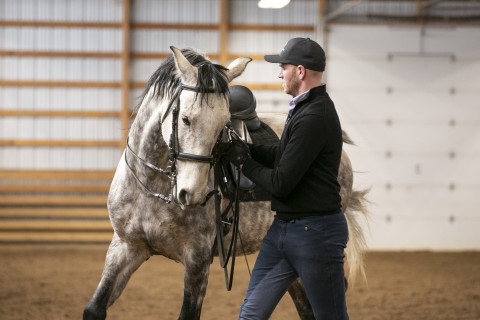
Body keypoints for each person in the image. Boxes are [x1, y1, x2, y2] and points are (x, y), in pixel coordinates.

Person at [225, 37, 349, 320]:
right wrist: (248, 149)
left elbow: (281, 182)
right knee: (250, 316)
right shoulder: (304, 107)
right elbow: (283, 153)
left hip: (317, 235)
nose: (279, 73)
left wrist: (243, 162)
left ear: (301, 71)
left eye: (283, 67)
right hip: (283, 232)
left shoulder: (316, 115)